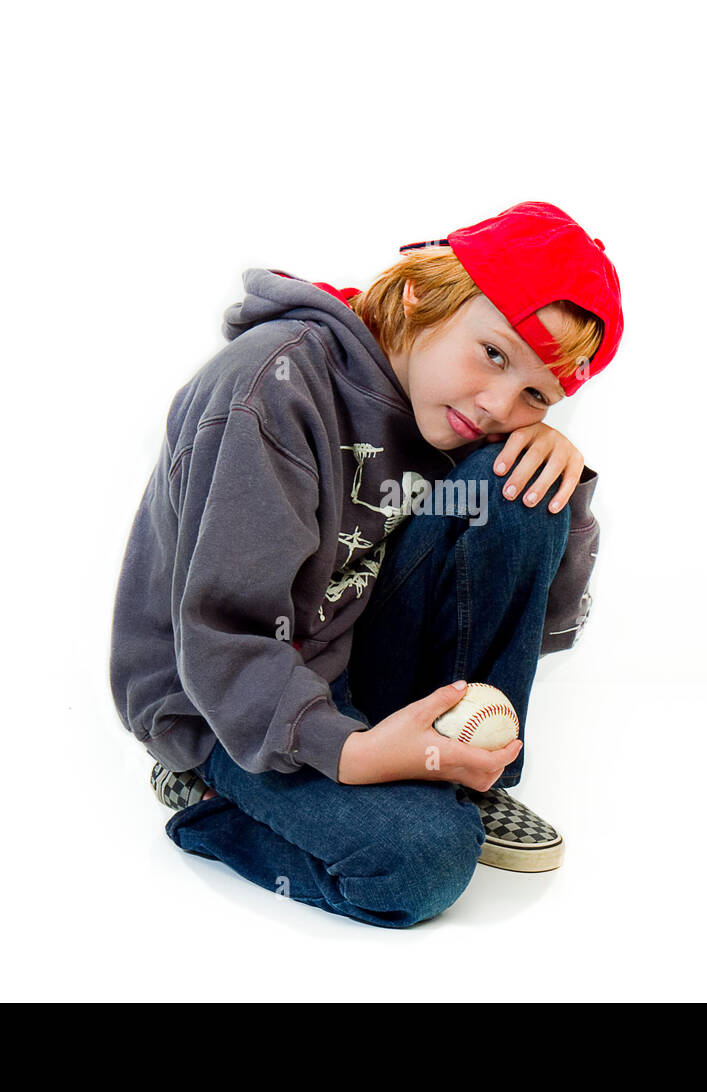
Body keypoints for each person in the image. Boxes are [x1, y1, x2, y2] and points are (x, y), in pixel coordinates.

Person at [109, 200, 624, 928]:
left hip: (345, 652)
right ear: (420, 291)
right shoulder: (272, 393)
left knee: (520, 483)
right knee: (423, 860)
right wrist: (351, 755)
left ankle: (470, 774)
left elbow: (539, 604)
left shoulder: (445, 402)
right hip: (223, 701)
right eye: (496, 354)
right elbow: (224, 640)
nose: (497, 404)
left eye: (536, 395)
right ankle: (208, 795)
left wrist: (559, 478)